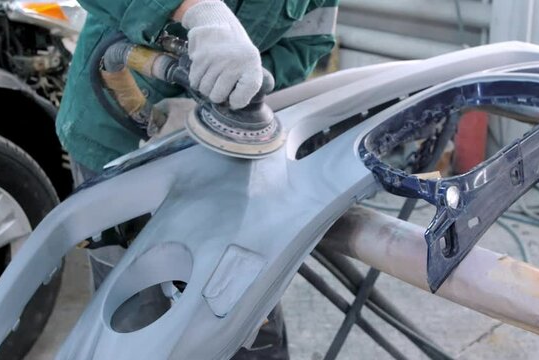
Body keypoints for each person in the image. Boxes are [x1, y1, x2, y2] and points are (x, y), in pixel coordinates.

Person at [57, 0, 338, 358]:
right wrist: (197, 10)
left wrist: (233, 87)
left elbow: (306, 42)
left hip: (226, 154)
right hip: (114, 140)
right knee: (138, 311)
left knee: (237, 305)